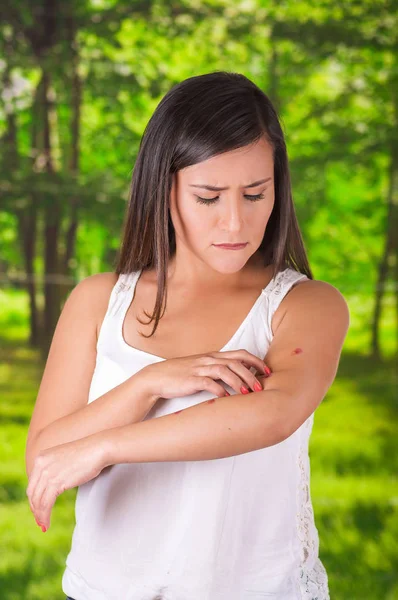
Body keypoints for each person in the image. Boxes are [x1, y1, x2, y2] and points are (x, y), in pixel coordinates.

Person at [25, 71, 349, 600]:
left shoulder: (305, 305)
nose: (235, 223)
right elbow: (47, 457)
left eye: (254, 193)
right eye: (208, 197)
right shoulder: (97, 301)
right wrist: (149, 383)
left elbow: (273, 413)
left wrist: (105, 446)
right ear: (164, 188)